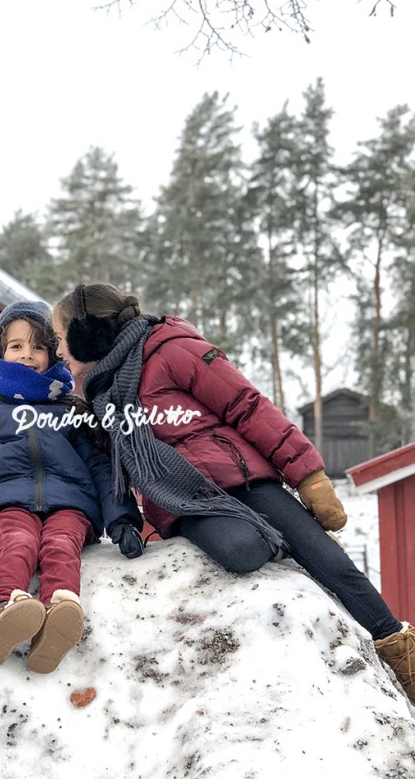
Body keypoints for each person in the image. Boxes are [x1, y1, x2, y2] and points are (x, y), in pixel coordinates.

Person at [52, 283, 415, 704]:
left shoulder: (170, 348)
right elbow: (117, 466)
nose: (60, 350)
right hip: (185, 503)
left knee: (334, 563)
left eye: (61, 338)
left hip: (243, 477)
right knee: (243, 550)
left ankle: (404, 659)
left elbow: (246, 405)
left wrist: (308, 476)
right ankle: (281, 538)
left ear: (86, 333)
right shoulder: (100, 393)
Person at [0, 299, 144, 674]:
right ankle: (3, 612)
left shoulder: (72, 410)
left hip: (71, 504)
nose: (27, 355)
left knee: (62, 545)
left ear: (54, 354)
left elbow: (99, 468)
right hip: (8, 502)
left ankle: (60, 613)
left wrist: (123, 518)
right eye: (16, 346)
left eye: (38, 346)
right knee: (19, 543)